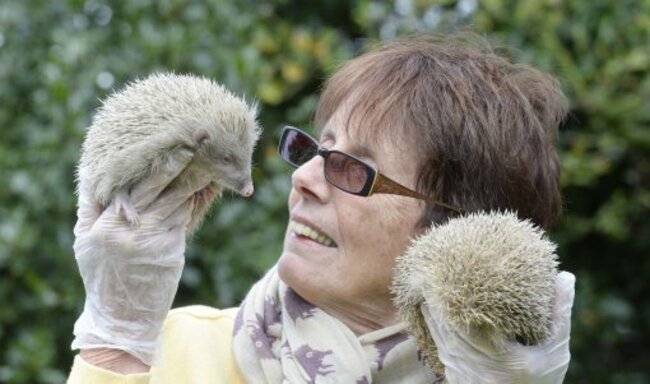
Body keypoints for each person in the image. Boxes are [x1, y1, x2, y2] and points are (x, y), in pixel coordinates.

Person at [67, 33, 575, 383]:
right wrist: (117, 343)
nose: (304, 177)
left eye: (354, 168)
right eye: (315, 150)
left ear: (451, 230)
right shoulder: (168, 351)